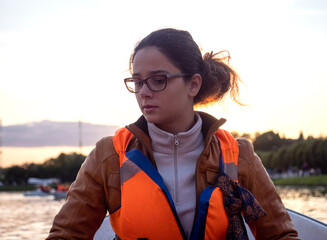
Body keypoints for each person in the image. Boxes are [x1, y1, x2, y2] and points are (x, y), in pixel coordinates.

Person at [47, 28, 299, 240]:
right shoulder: (109, 155)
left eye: (158, 80)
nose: (144, 92)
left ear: (193, 84)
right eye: (137, 81)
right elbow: (65, 235)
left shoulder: (238, 155)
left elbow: (280, 235)